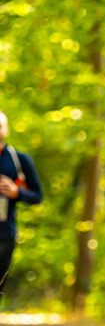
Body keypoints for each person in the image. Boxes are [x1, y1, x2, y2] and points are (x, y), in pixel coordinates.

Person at [0, 111, 43, 296]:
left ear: (6, 130)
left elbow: (37, 195)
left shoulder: (19, 159)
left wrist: (17, 192)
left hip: (4, 232)